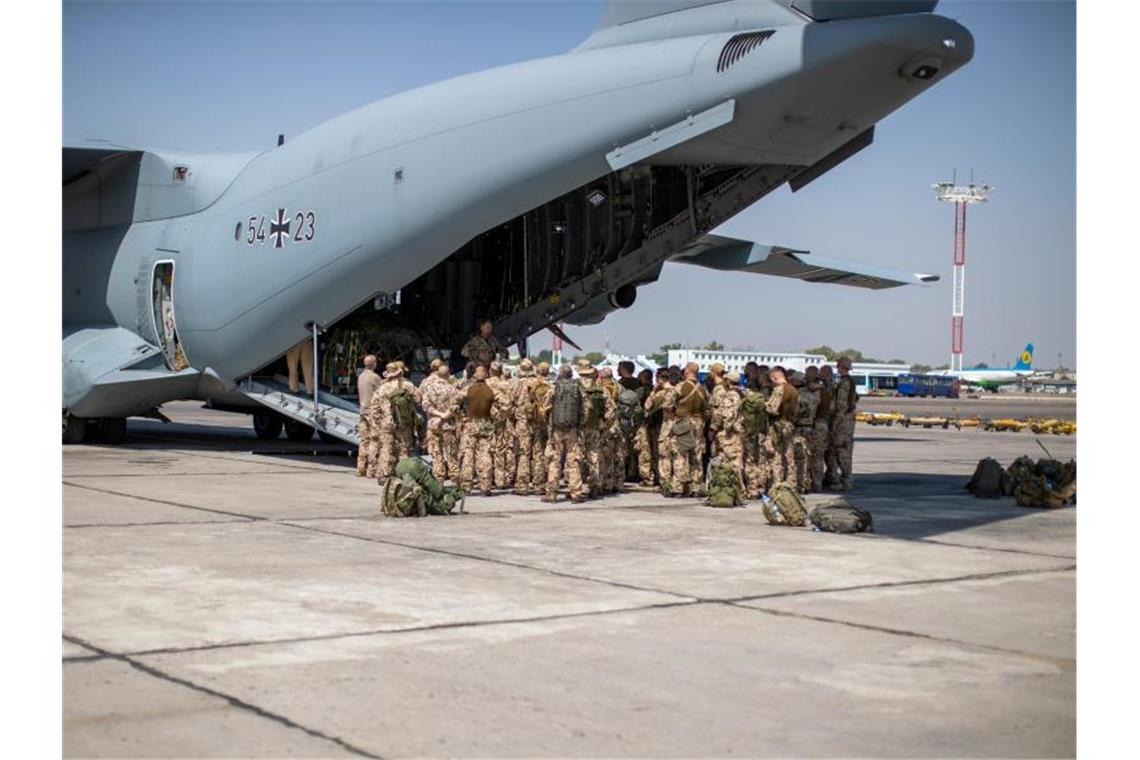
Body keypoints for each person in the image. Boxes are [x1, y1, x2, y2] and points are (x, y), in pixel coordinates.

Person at [368, 361, 421, 483]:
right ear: (400, 372)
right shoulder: (407, 385)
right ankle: (404, 474)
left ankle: (384, 475)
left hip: (386, 422)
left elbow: (374, 407)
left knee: (386, 448)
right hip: (403, 422)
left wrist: (379, 421)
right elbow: (418, 398)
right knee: (404, 448)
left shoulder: (382, 387)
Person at [543, 364, 586, 503]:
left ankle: (551, 493)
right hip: (573, 429)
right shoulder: (578, 387)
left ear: (561, 374)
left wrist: (549, 422)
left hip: (557, 429)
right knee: (573, 460)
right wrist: (580, 422)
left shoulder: (554, 387)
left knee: (554, 460)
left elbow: (545, 408)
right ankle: (576, 493)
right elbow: (587, 407)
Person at [578, 361, 616, 497]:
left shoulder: (575, 386)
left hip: (577, 429)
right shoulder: (600, 389)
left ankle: (577, 487)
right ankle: (594, 486)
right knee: (594, 454)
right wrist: (605, 424)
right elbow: (611, 409)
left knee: (577, 456)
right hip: (594, 427)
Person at [421, 361, 462, 483]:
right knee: (451, 452)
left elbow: (425, 406)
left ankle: (439, 478)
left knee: (436, 453)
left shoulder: (430, 388)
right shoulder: (453, 389)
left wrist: (438, 415)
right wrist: (444, 416)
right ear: (449, 375)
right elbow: (456, 408)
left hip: (433, 424)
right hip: (448, 425)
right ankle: (455, 476)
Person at [667, 364, 704, 497]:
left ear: (687, 371)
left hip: (683, 422)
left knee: (680, 453)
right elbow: (707, 407)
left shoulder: (680, 386)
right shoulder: (702, 388)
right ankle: (696, 487)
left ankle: (679, 487)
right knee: (696, 454)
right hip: (698, 422)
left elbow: (668, 403)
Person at [459, 365, 496, 495]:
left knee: (468, 454)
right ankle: (485, 486)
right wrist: (496, 417)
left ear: (475, 375)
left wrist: (461, 417)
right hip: (486, 423)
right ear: (486, 375)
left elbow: (453, 402)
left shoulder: (468, 389)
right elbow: (506, 405)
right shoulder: (491, 389)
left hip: (471, 423)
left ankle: (466, 486)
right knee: (485, 454)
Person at [512, 358, 545, 496]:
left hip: (522, 423)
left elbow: (510, 402)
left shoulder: (517, 384)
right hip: (538, 422)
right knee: (538, 454)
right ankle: (539, 484)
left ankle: (522, 485)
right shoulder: (541, 383)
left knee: (523, 454)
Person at [764, 366, 798, 486]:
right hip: (789, 424)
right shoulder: (793, 390)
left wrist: (763, 405)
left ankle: (776, 483)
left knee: (776, 455)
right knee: (789, 455)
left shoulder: (779, 389)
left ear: (775, 377)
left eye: (771, 379)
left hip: (778, 425)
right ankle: (791, 483)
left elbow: (772, 409)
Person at [485, 361, 516, 490]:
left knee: (486, 449)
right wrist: (502, 417)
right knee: (503, 448)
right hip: (503, 421)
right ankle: (502, 479)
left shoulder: (485, 384)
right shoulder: (507, 385)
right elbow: (510, 404)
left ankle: (487, 478)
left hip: (487, 420)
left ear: (490, 371)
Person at [829, 356, 858, 491]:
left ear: (841, 367)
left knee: (842, 450)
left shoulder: (844, 383)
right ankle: (845, 481)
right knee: (844, 450)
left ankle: (846, 482)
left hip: (843, 421)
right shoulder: (851, 381)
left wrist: (836, 422)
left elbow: (841, 404)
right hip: (848, 419)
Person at [644, 369, 674, 493]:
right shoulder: (677, 391)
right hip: (676, 426)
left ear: (660, 380)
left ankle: (663, 480)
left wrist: (654, 391)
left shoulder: (661, 394)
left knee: (661, 454)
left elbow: (647, 406)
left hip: (662, 426)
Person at [713, 371, 745, 484]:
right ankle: (740, 487)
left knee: (729, 459)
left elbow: (728, 415)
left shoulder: (730, 395)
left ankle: (731, 487)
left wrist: (721, 429)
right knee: (738, 458)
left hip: (731, 432)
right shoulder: (743, 393)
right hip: (741, 430)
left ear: (728, 381)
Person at [790, 370, 819, 493]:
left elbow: (795, 413)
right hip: (810, 428)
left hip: (799, 428)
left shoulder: (798, 396)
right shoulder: (813, 395)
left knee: (799, 458)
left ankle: (799, 484)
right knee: (808, 457)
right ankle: (807, 483)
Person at [355, 355, 381, 478]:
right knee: (374, 441)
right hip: (372, 413)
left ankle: (360, 468)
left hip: (363, 411)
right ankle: (371, 470)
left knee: (364, 441)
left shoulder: (361, 376)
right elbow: (382, 392)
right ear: (374, 364)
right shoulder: (375, 377)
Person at [813, 365, 834, 492]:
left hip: (827, 423)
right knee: (822, 453)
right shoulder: (822, 387)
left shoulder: (829, 388)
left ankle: (829, 477)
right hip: (826, 423)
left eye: (821, 372)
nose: (819, 375)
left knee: (824, 453)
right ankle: (827, 477)